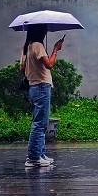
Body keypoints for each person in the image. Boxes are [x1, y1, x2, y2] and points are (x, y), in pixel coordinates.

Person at [21, 25, 64, 168]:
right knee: (40, 124)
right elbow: (49, 64)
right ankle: (33, 158)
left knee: (39, 122)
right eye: (44, 30)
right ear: (40, 32)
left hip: (33, 86)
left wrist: (33, 67)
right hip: (41, 86)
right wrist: (55, 49)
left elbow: (22, 68)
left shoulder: (27, 47)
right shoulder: (38, 46)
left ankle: (40, 154)